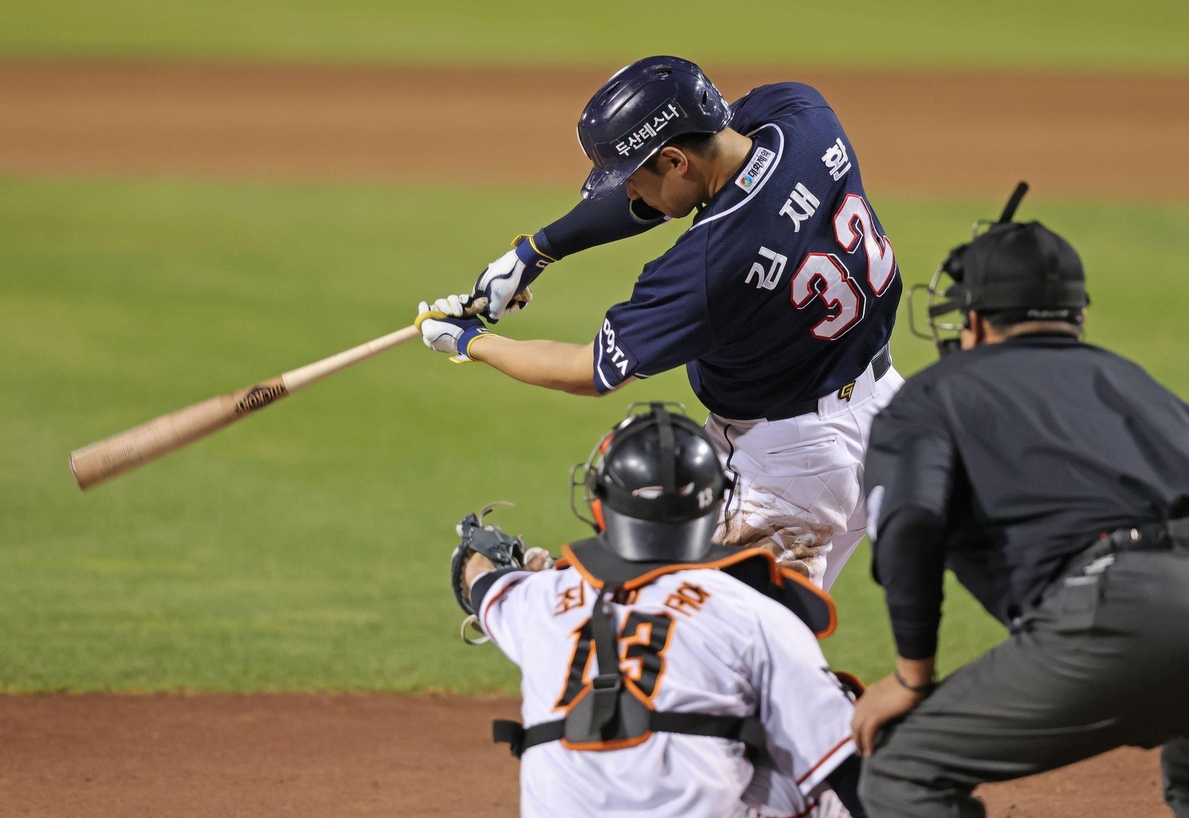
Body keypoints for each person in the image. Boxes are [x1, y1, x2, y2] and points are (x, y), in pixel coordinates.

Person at [417, 55, 903, 587]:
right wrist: (537, 250)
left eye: (631, 178)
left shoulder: (710, 266)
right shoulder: (802, 116)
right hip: (886, 412)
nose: (627, 193)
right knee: (758, 637)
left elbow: (590, 370)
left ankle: (520, 600)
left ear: (673, 161)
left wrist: (473, 342)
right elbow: (694, 165)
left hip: (790, 464)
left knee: (700, 643)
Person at [848, 185, 1189, 817]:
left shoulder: (935, 394)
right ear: (1076, 317)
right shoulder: (1138, 384)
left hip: (1119, 612)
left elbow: (910, 525)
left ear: (973, 320)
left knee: (903, 770)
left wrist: (910, 675)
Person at [450, 403, 867, 818]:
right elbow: (851, 765)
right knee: (825, 779)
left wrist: (480, 552)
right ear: (714, 507)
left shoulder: (537, 600)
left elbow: (483, 581)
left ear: (600, 505)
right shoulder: (753, 613)